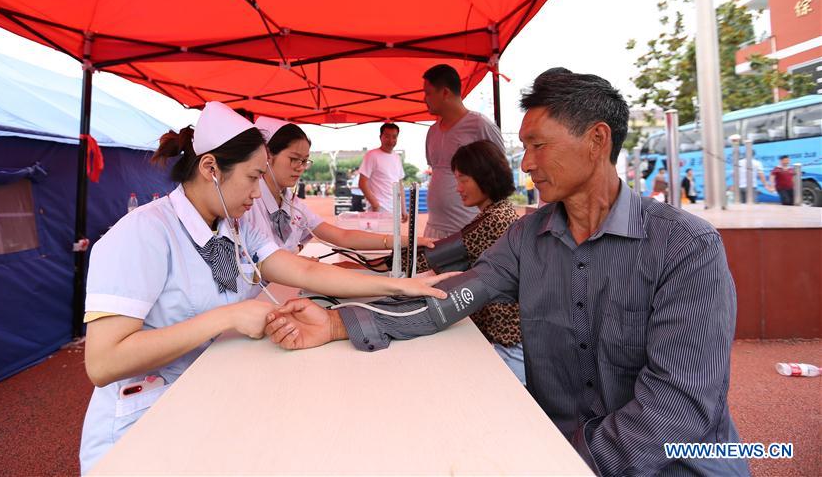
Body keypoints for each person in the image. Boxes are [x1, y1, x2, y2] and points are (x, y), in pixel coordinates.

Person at [265, 70, 748, 476]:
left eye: (538, 145)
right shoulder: (526, 238)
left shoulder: (686, 249)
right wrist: (336, 323)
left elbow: (678, 410)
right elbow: (452, 298)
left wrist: (557, 459)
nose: (527, 164)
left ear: (597, 140)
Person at [79, 103, 446, 473]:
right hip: (141, 427)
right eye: (253, 177)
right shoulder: (142, 233)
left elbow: (303, 269)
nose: (258, 193)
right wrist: (228, 316)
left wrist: (398, 286)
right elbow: (103, 362)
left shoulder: (233, 226)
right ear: (210, 168)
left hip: (204, 400)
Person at [391, 140, 525, 383]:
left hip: (505, 345)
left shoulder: (493, 220)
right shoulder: (498, 212)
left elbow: (431, 258)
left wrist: (372, 270)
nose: (458, 188)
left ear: (485, 176)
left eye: (463, 180)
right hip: (503, 338)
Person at [244, 116, 432, 254]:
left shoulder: (291, 204)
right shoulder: (247, 205)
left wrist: (407, 241)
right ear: (267, 155)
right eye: (294, 159)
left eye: (305, 161)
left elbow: (342, 237)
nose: (300, 168)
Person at [423, 64, 504, 238]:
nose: (424, 99)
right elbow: (437, 172)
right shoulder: (432, 132)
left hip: (469, 228)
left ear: (445, 92)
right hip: (434, 227)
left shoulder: (480, 125)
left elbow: (500, 173)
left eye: (428, 93)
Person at [359, 123, 407, 221]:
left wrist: (403, 209)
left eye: (394, 137)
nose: (391, 140)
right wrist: (375, 204)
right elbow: (362, 183)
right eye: (387, 136)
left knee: (394, 237)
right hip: (379, 210)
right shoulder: (372, 155)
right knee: (378, 237)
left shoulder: (397, 157)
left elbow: (400, 185)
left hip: (395, 209)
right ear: (380, 137)